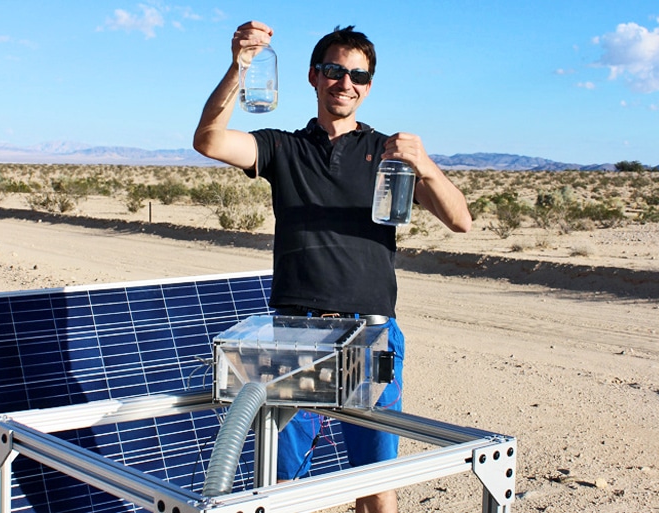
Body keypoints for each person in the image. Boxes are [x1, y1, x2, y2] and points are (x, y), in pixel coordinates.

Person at [193, 20, 472, 513]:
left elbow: (460, 220)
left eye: (359, 77)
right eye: (334, 71)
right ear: (313, 76)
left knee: (376, 483)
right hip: (293, 334)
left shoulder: (390, 154)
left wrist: (425, 163)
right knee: (277, 483)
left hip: (372, 334)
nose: (346, 84)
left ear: (369, 86)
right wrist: (239, 68)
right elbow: (210, 140)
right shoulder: (283, 148)